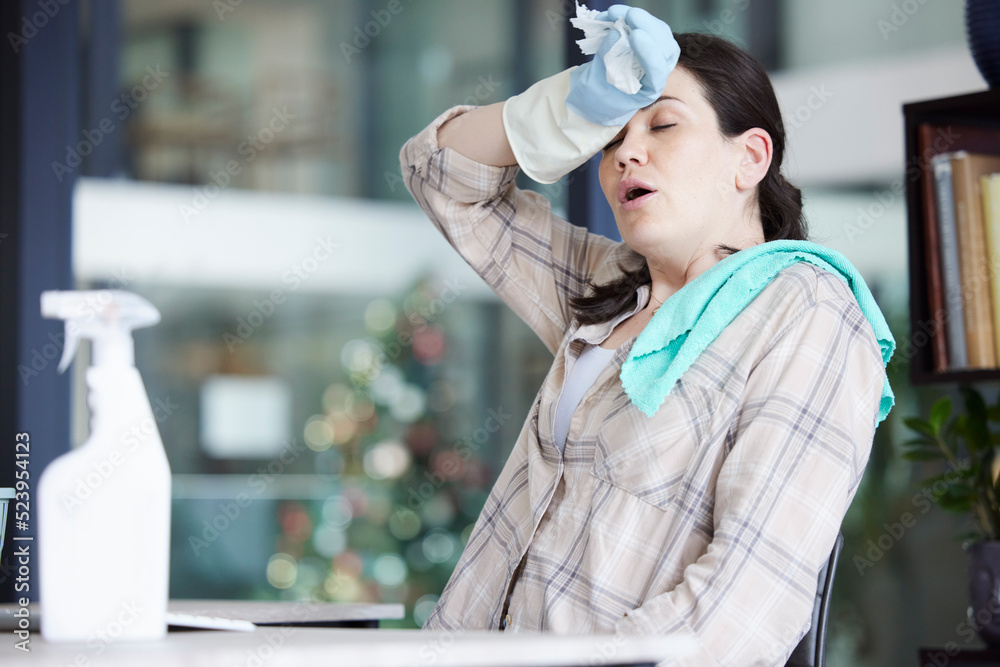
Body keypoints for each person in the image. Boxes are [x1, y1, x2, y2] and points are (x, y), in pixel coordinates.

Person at [399, 5, 893, 665]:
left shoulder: (805, 311)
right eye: (611, 137)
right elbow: (440, 176)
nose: (627, 151)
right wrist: (567, 106)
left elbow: (746, 604)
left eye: (662, 123)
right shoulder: (604, 289)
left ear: (749, 158)